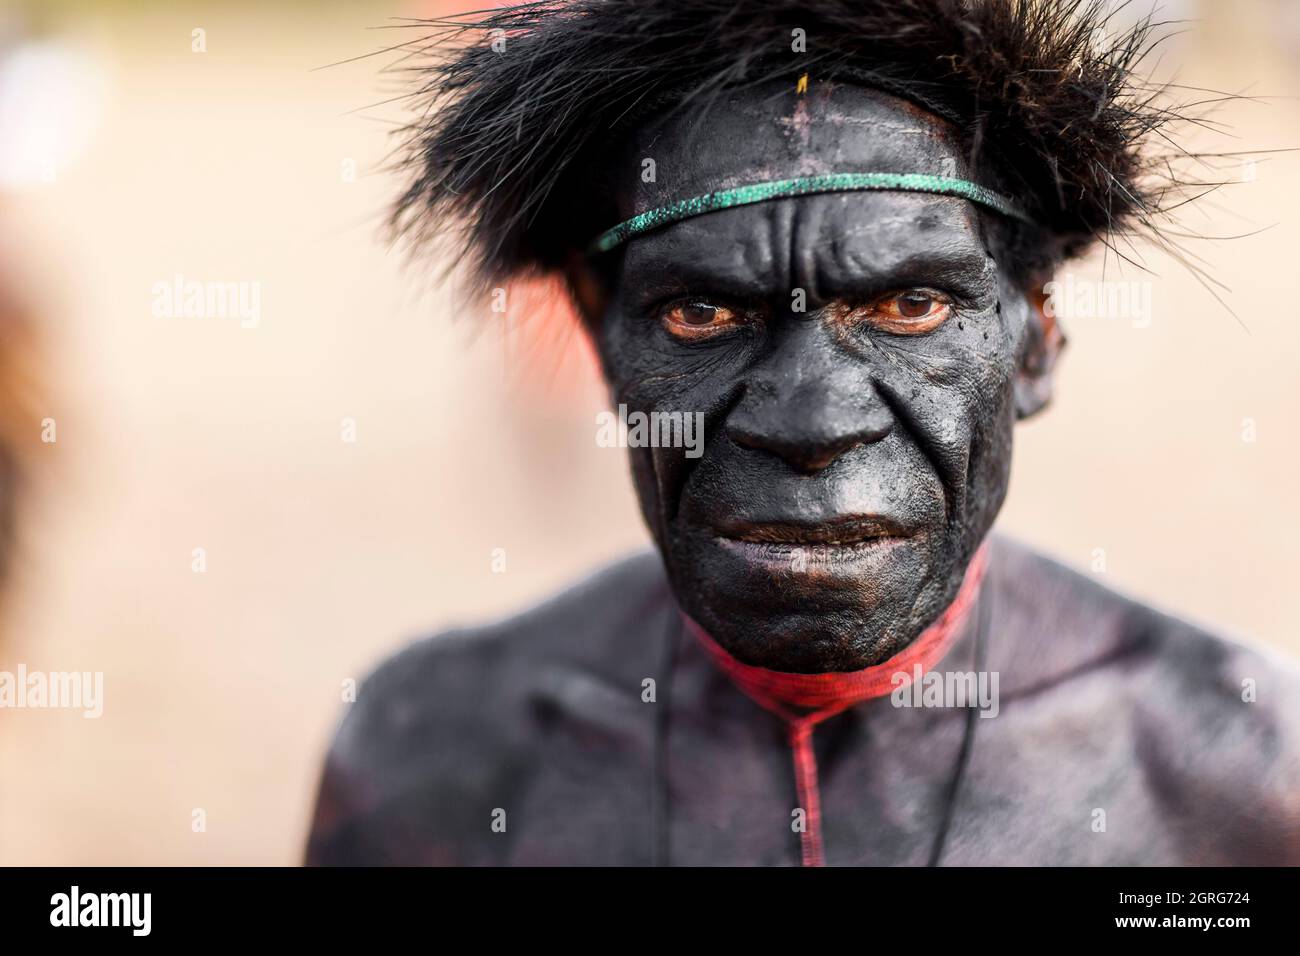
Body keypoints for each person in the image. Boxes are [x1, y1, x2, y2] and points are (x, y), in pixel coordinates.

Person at [306, 0, 1300, 866]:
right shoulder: (425, 763)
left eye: (909, 304)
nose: (812, 423)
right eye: (702, 314)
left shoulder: (1238, 777)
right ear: (599, 336)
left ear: (1033, 337)